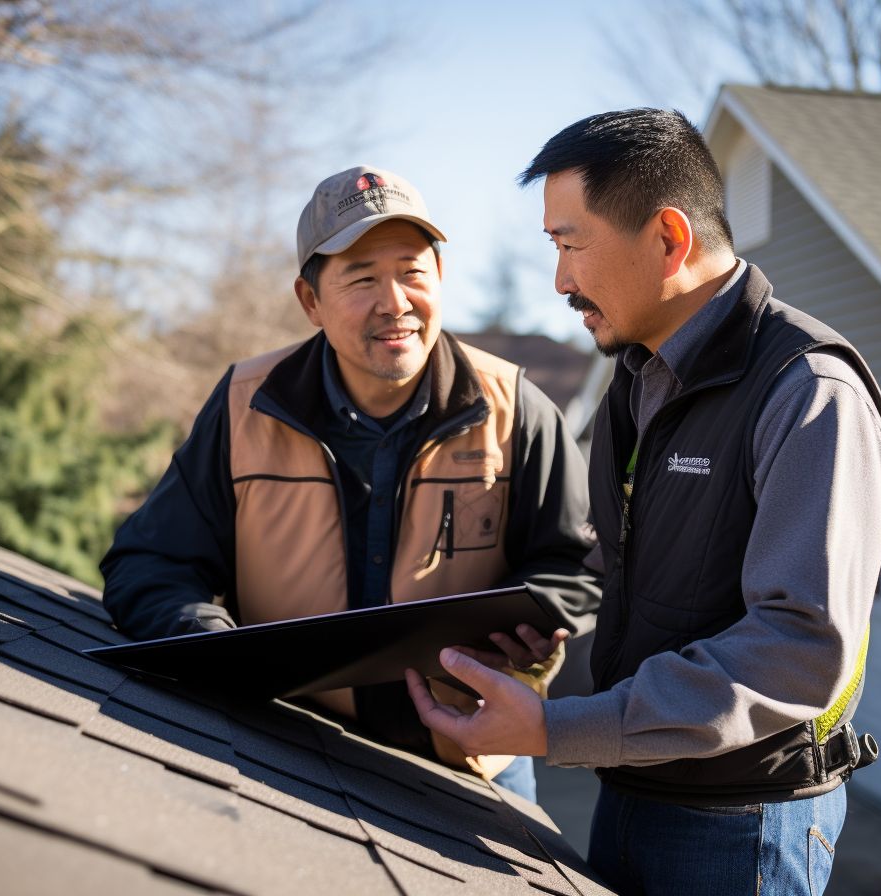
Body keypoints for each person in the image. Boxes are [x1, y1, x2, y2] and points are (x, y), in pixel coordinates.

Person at [405, 109, 881, 894]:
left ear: (668, 237)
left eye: (570, 245)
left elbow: (801, 648)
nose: (559, 281)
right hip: (633, 790)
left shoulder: (809, 393)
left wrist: (557, 728)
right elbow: (630, 562)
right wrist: (532, 624)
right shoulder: (636, 380)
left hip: (744, 827)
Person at [101, 165, 600, 802]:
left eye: (412, 271)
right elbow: (150, 562)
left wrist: (534, 622)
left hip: (472, 757)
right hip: (288, 742)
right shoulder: (244, 405)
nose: (393, 302)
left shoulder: (519, 409)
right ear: (310, 301)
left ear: (440, 279)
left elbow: (575, 569)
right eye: (361, 277)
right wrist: (212, 647)